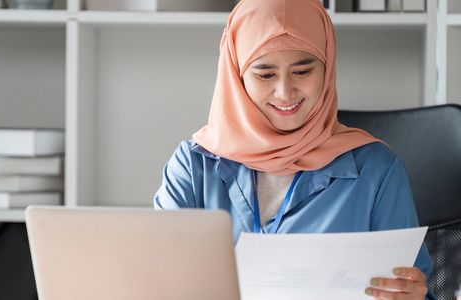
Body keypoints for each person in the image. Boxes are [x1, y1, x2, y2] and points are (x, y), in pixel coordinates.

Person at [153, 0, 433, 299]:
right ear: (236, 76)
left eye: (302, 71)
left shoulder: (377, 171)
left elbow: (413, 290)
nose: (285, 92)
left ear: (327, 69)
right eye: (265, 74)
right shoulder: (194, 166)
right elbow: (153, 280)